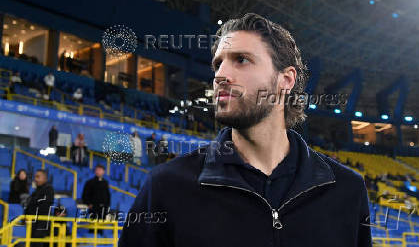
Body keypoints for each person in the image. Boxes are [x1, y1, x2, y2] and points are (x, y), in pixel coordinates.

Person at [119, 13, 372, 247]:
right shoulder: (167, 186)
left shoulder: (346, 190)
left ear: (285, 80)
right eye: (218, 64)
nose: (220, 75)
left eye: (241, 60)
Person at [24, 169, 54, 247]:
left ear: (44, 178)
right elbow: (30, 205)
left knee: (36, 242)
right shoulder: (36, 191)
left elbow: (43, 205)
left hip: (42, 222)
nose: (35, 179)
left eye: (38, 177)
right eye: (35, 177)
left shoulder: (48, 189)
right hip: (33, 221)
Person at [82, 165, 111, 233]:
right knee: (93, 227)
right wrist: (89, 204)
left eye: (100, 170)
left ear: (103, 171)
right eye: (97, 170)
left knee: (101, 228)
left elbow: (108, 195)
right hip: (94, 209)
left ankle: (99, 241)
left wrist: (107, 206)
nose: (98, 171)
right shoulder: (89, 182)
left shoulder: (105, 182)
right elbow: (85, 195)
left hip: (103, 209)